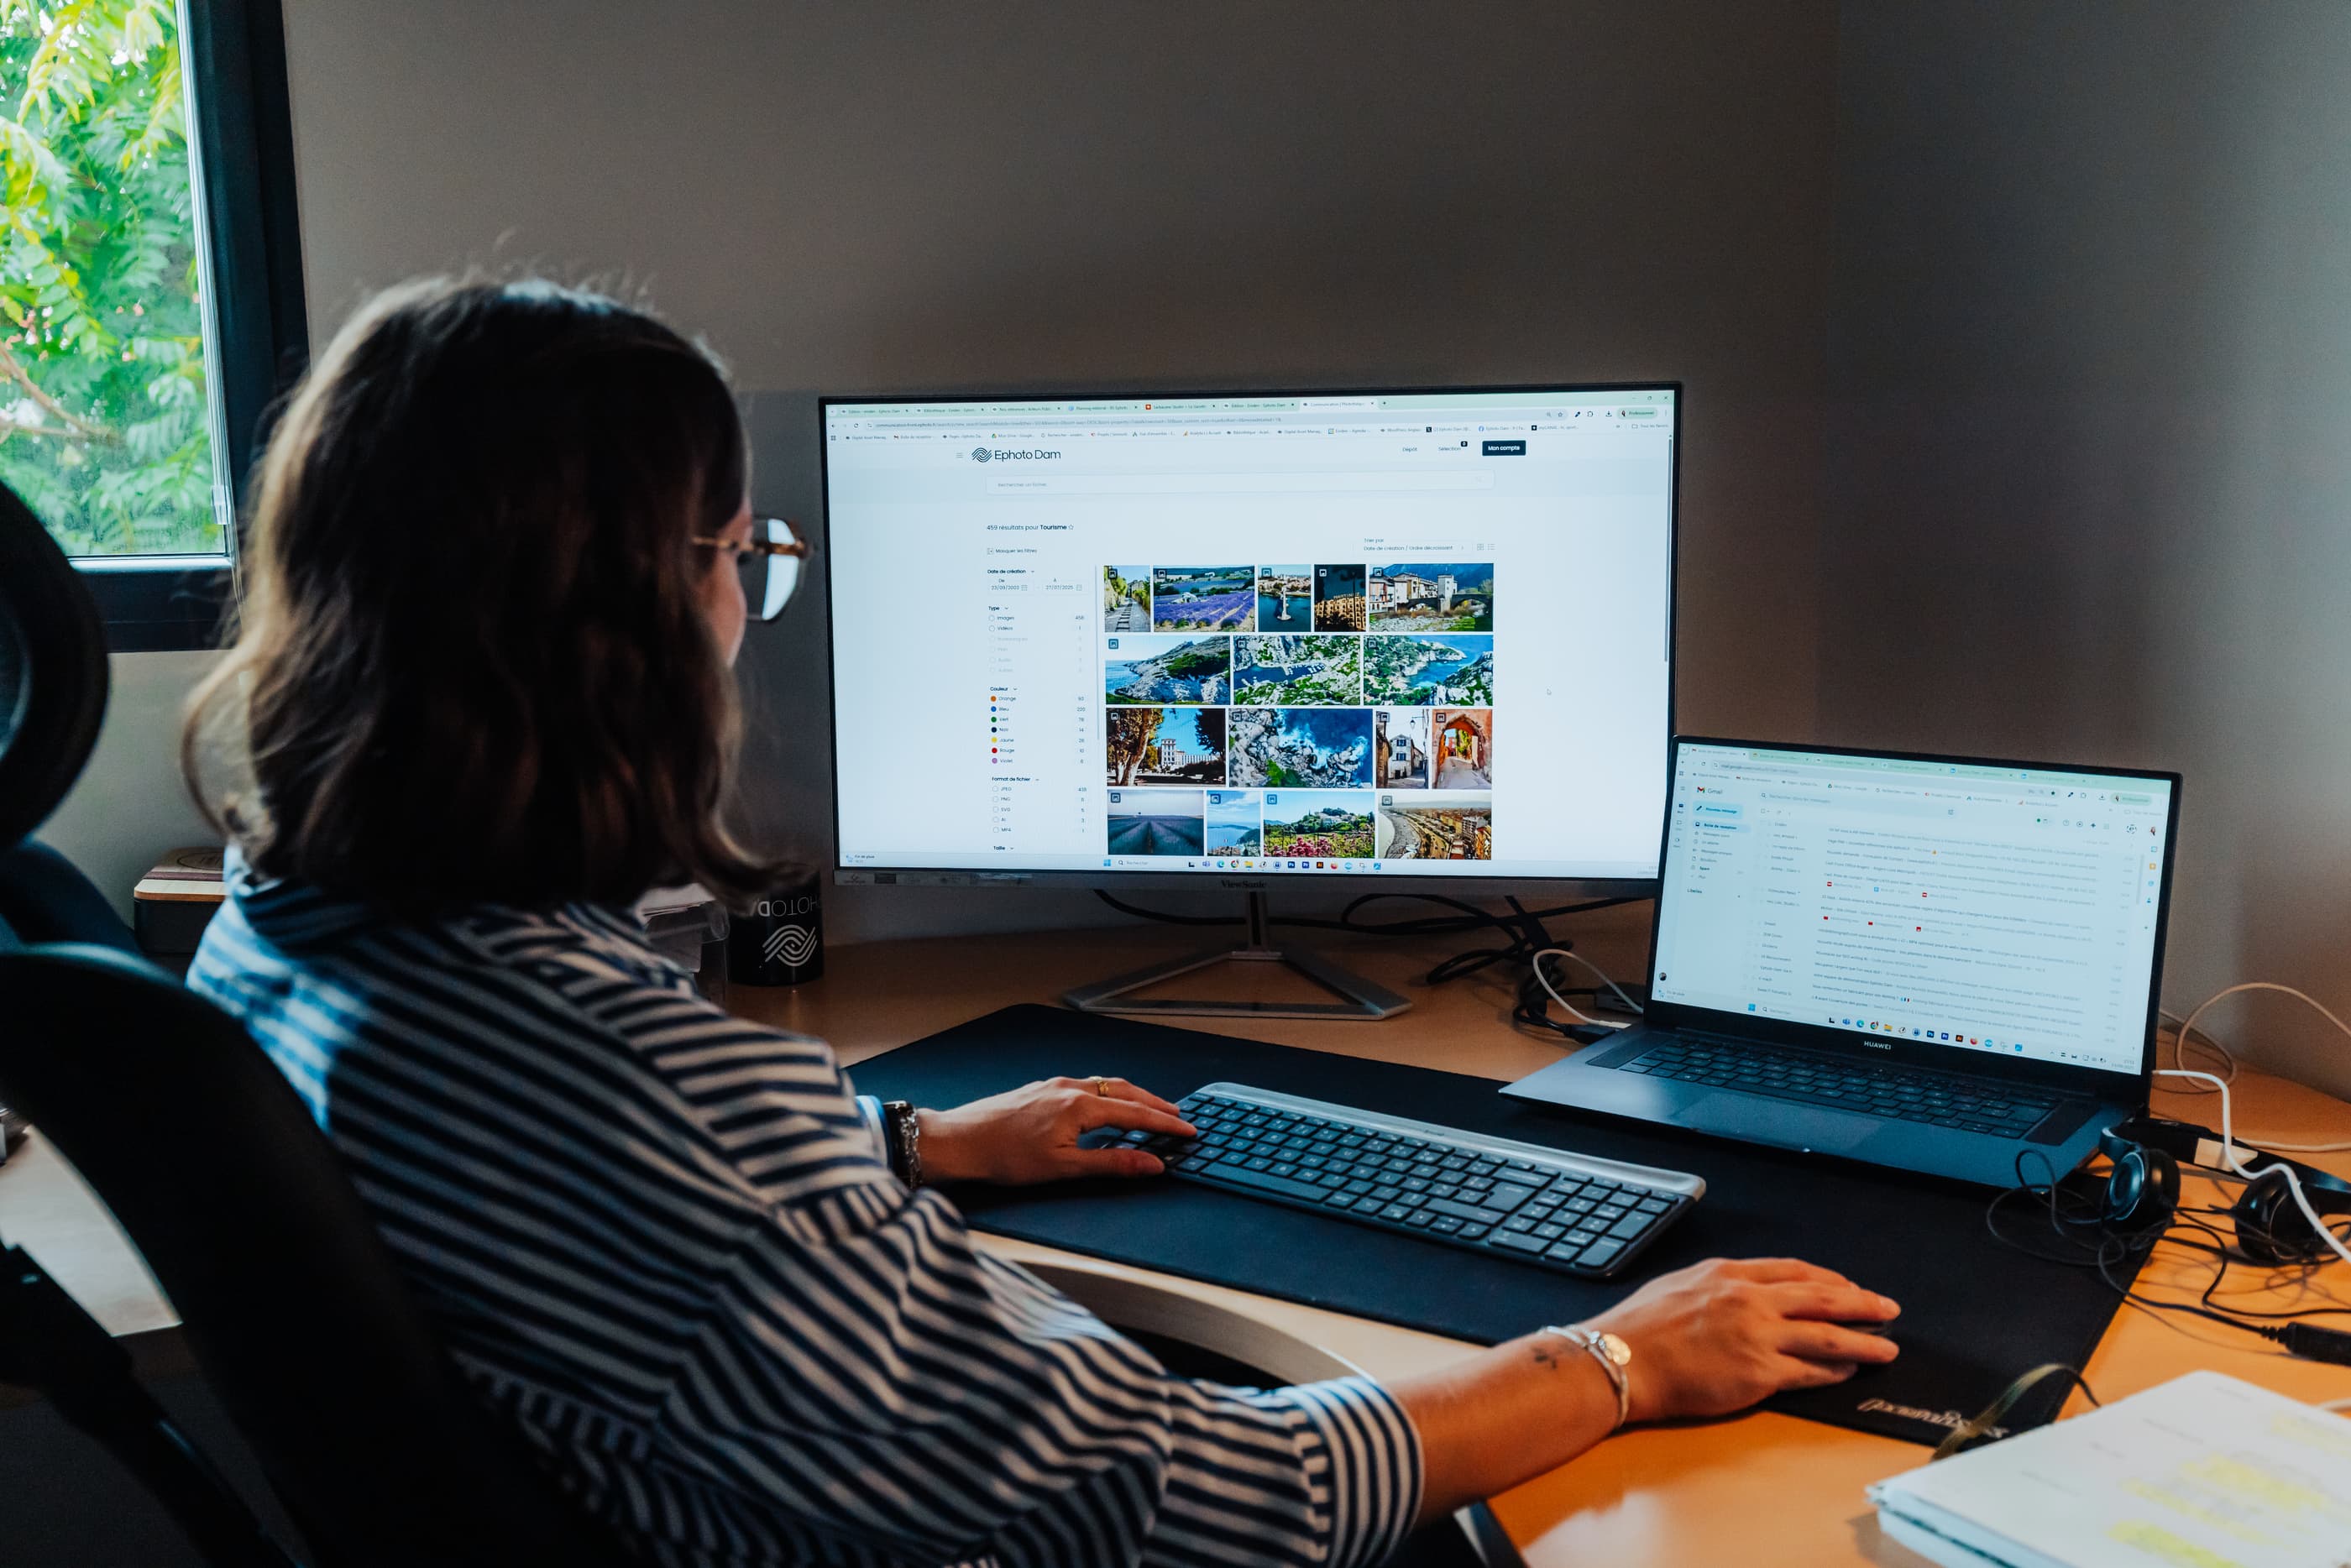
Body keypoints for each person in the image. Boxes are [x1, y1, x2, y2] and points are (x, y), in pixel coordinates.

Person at [182, 277, 1900, 1568]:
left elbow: (603, 1207)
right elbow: (1205, 1495)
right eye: (734, 554)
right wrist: (1612, 1354)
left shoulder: (287, 930)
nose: (746, 602)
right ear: (622, 627)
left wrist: (910, 1142)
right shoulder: (651, 1083)